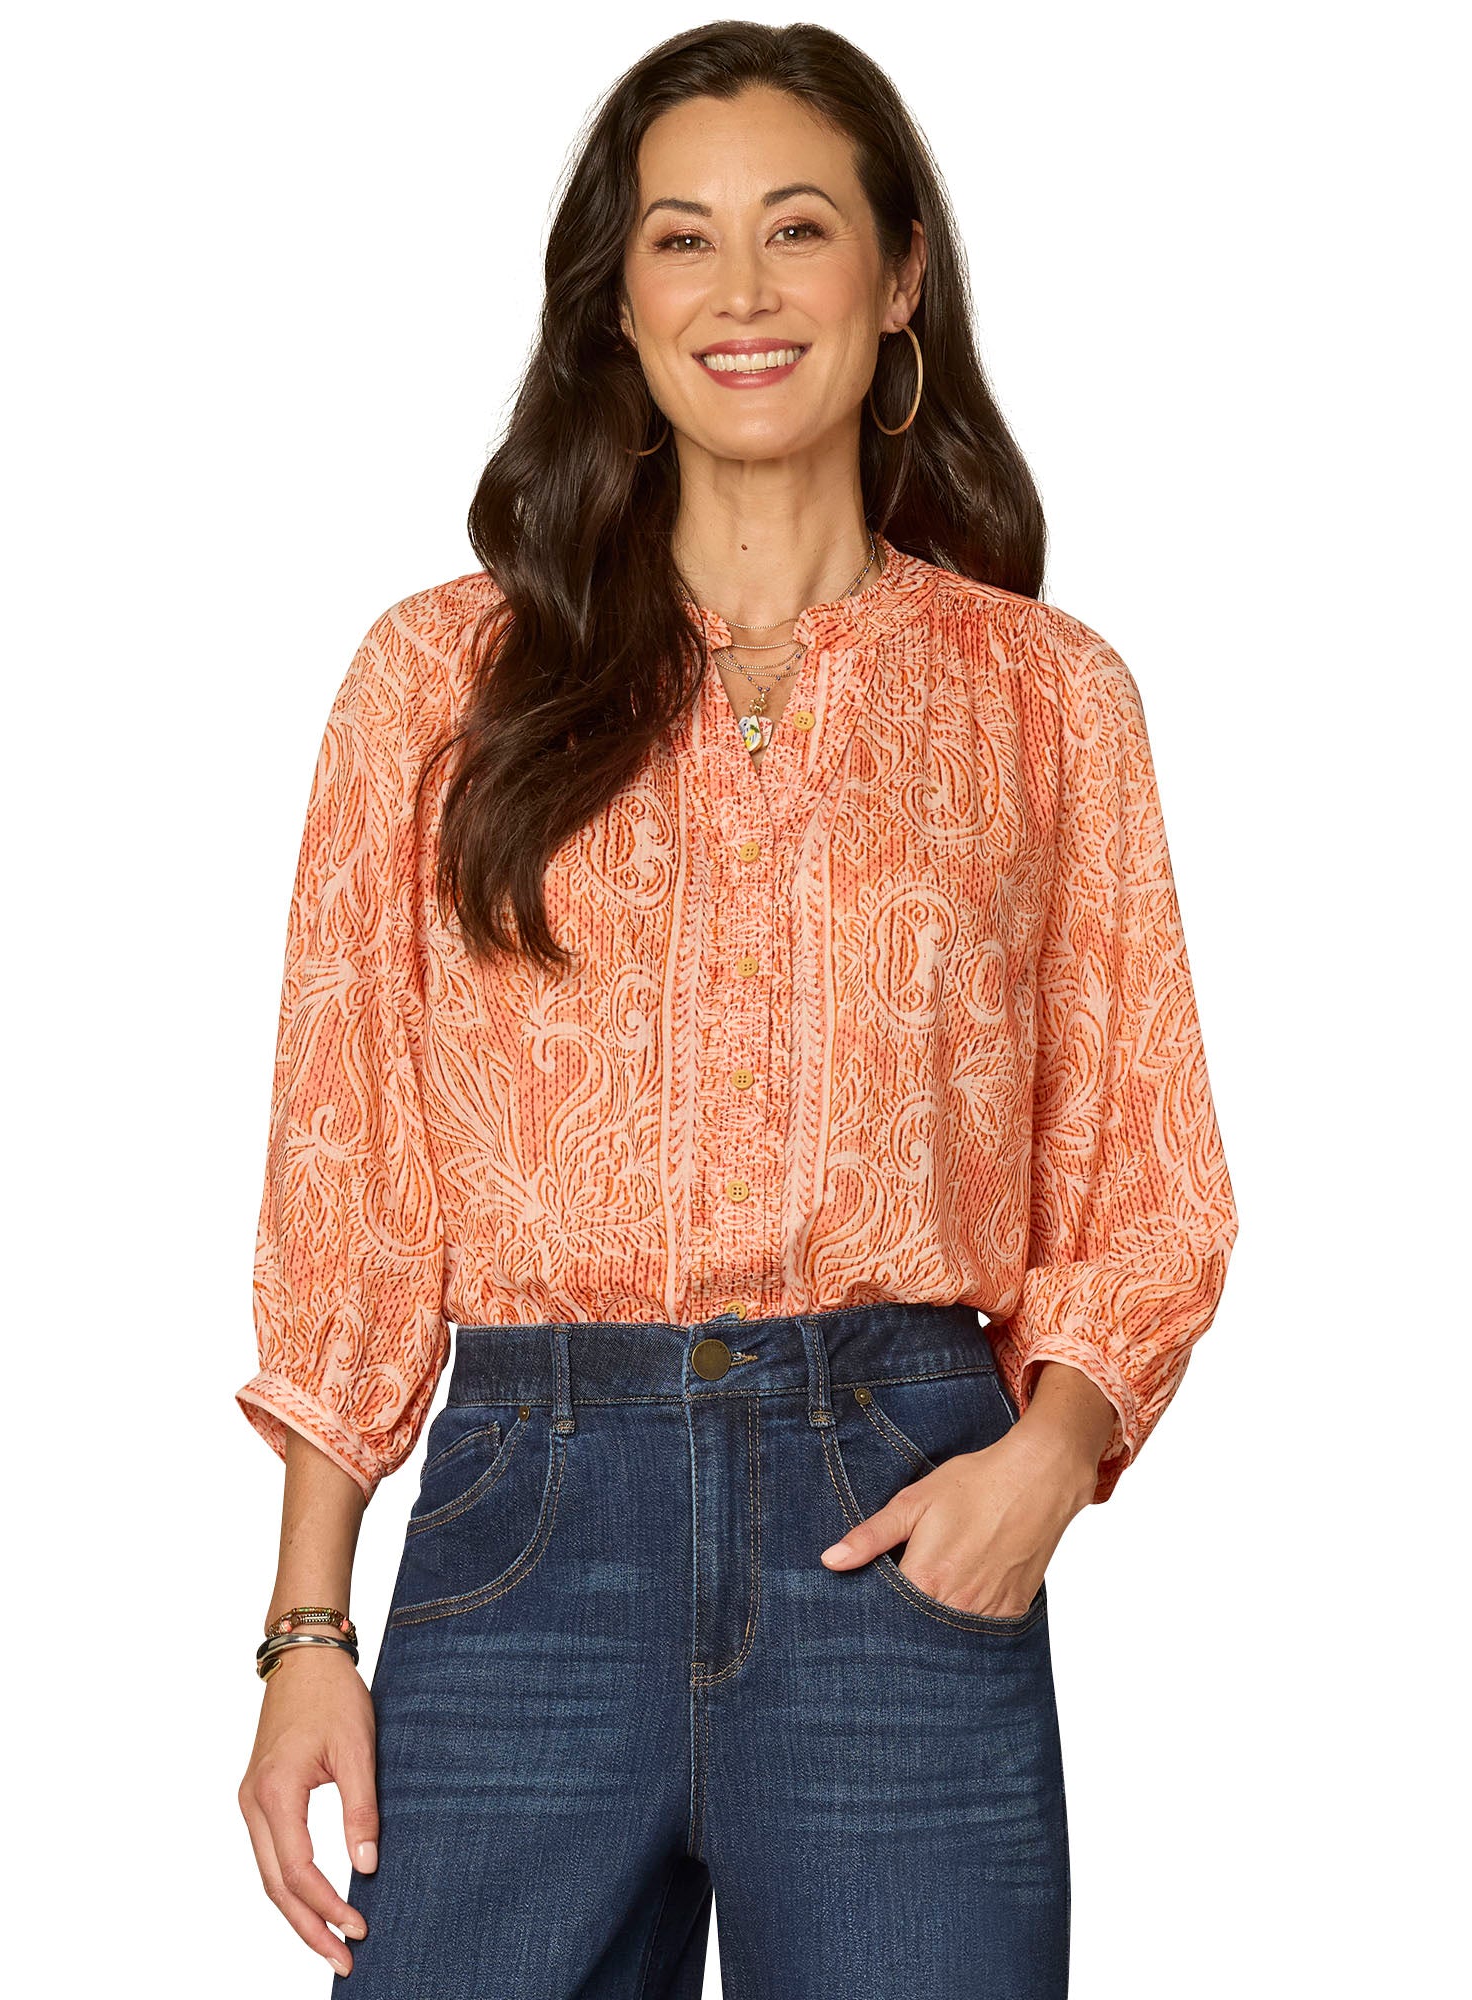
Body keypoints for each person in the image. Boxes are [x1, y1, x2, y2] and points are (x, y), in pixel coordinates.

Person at [235, 22, 1238, 1999]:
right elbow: (351, 1176)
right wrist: (305, 1634)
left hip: (899, 1526)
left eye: (799, 228)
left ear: (900, 274)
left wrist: (1048, 1460)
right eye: (682, 240)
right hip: (526, 1535)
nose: (743, 290)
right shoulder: (440, 685)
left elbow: (1147, 1162)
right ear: (618, 303)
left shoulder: (1047, 700)